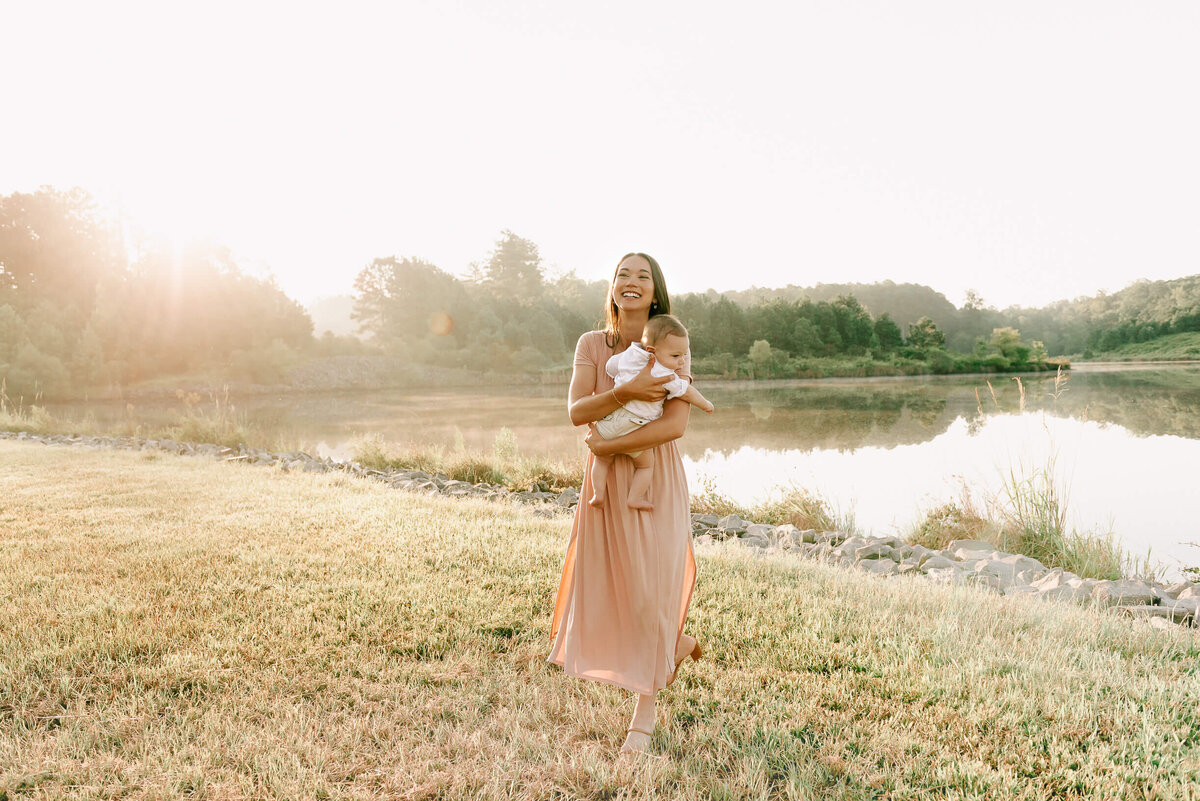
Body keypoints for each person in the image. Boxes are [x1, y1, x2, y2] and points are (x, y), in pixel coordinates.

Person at [547, 252, 703, 756]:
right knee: (617, 587)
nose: (631, 283)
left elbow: (675, 425)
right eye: (623, 275)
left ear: (655, 292)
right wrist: (629, 391)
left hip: (652, 474)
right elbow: (577, 411)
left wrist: (610, 445)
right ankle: (672, 647)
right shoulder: (593, 345)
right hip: (605, 484)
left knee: (649, 590)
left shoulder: (673, 343)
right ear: (612, 289)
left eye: (643, 277)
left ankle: (645, 708)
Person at [589, 313, 714, 510]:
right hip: (637, 428)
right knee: (646, 465)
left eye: (683, 356)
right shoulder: (662, 373)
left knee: (602, 459)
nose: (681, 362)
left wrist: (621, 376)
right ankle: (634, 498)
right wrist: (706, 404)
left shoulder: (629, 355)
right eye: (675, 356)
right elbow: (686, 391)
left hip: (613, 419)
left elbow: (610, 367)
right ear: (652, 352)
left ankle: (597, 494)